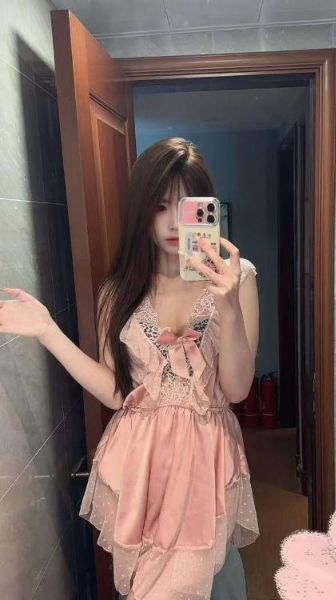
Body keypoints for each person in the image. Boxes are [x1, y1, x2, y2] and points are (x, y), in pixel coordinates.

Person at [0, 138, 259, 600]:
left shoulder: (237, 279)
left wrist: (229, 308)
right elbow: (118, 393)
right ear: (141, 209)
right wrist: (47, 331)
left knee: (209, 580)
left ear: (206, 209)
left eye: (186, 207)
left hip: (206, 459)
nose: (173, 222)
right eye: (160, 206)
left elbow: (237, 390)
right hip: (140, 464)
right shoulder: (117, 291)